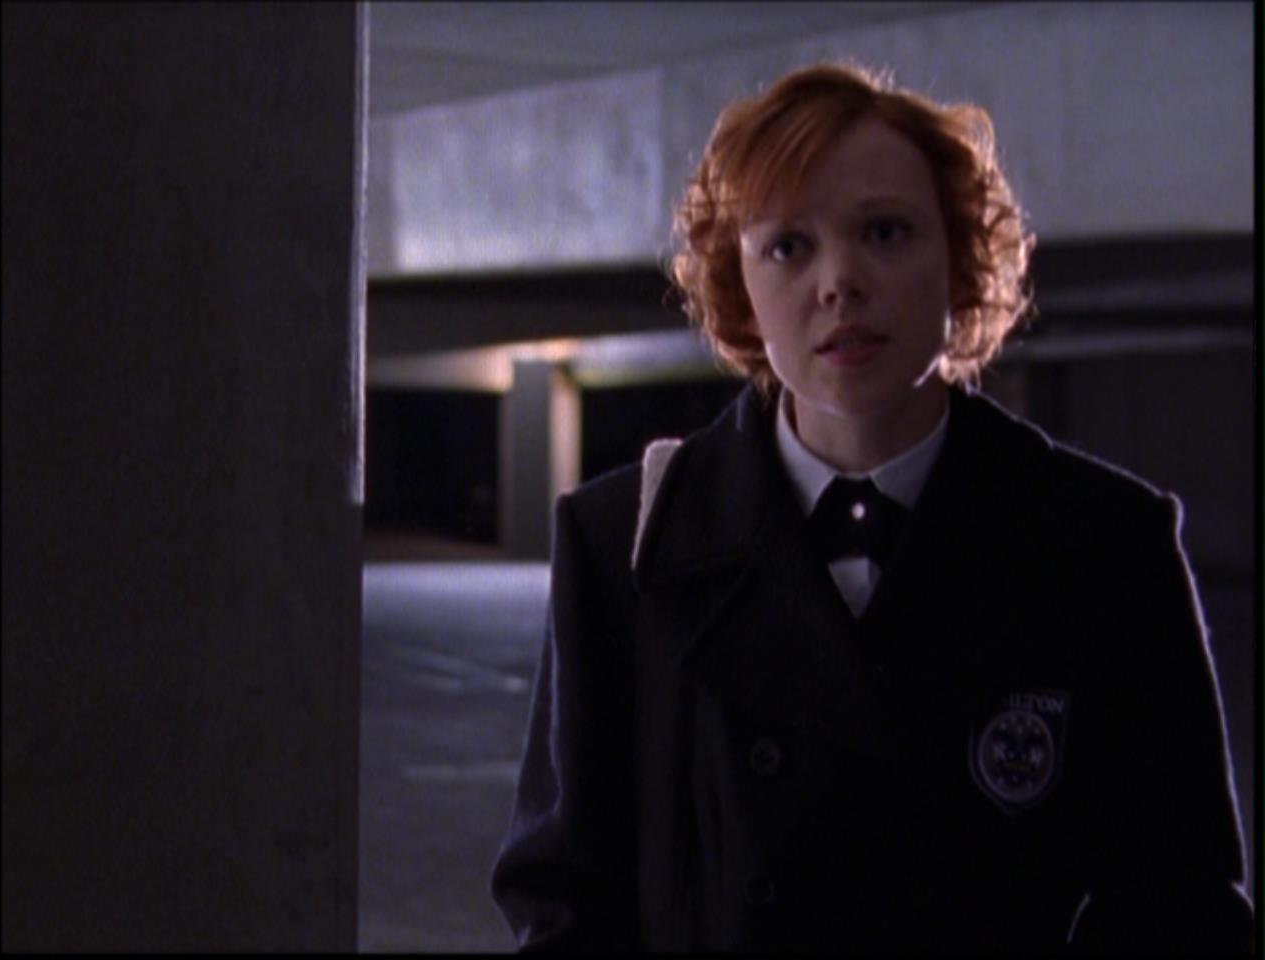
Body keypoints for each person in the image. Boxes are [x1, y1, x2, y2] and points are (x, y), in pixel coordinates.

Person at [490, 60, 1253, 952]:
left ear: (959, 259)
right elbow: (564, 902)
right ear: (740, 286)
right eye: (789, 246)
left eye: (886, 232)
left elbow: (1182, 906)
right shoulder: (627, 541)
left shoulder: (1105, 543)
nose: (840, 281)